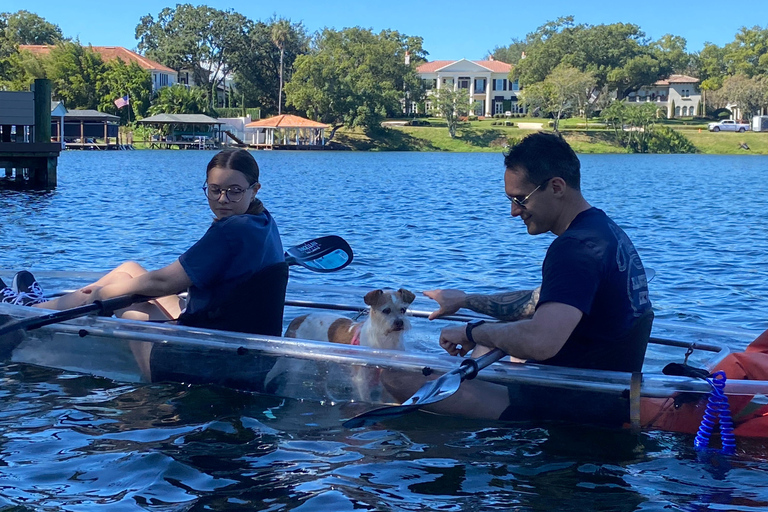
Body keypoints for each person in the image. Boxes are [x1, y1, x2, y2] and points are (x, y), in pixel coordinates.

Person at [396, 132, 654, 426]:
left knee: (398, 377)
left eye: (520, 199)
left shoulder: (573, 249)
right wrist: (465, 301)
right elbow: (541, 300)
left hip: (567, 406)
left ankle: (463, 457)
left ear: (556, 186)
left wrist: (472, 332)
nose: (513, 211)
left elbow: (541, 342)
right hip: (606, 394)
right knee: (488, 348)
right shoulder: (604, 232)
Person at [12, 149, 288, 381]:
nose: (222, 200)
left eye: (234, 192)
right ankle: (31, 310)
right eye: (214, 190)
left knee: (125, 300)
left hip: (210, 354)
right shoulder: (262, 221)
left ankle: (25, 314)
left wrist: (104, 295)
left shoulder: (232, 231)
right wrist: (111, 289)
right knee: (128, 269)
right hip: (227, 333)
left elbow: (164, 283)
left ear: (254, 190)